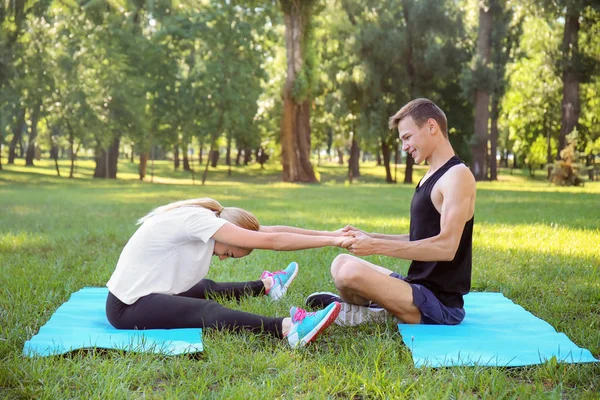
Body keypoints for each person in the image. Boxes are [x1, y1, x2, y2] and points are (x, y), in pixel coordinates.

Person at [304, 98, 476, 326]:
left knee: (350, 273)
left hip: (441, 305)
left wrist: (375, 246)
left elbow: (446, 247)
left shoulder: (457, 176)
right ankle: (371, 308)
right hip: (415, 287)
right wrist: (369, 236)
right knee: (341, 262)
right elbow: (420, 239)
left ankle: (371, 312)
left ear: (431, 127)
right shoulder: (431, 175)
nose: (404, 146)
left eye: (407, 137)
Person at [105, 198, 346, 349]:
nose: (222, 257)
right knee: (207, 309)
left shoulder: (207, 218)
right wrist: (332, 241)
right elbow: (272, 240)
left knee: (204, 287)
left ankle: (268, 284)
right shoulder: (201, 222)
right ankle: (289, 329)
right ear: (232, 235)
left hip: (142, 291)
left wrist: (331, 234)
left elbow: (268, 230)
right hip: (127, 307)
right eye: (230, 253)